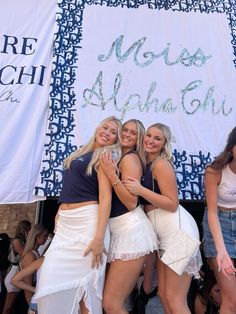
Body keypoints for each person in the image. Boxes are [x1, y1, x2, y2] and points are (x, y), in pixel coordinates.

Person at [34, 116, 122, 314]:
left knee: (86, 290)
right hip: (66, 225)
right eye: (105, 127)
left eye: (113, 132)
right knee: (47, 278)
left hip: (88, 224)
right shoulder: (83, 151)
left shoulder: (105, 155)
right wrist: (60, 209)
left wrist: (99, 237)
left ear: (116, 139)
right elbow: (70, 185)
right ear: (98, 126)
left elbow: (105, 198)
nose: (107, 133)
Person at [124, 123, 202, 314]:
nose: (150, 140)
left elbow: (172, 203)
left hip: (180, 235)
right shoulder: (146, 163)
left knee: (175, 300)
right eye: (148, 135)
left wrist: (140, 190)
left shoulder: (161, 164)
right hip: (167, 236)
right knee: (165, 294)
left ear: (164, 143)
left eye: (157, 138)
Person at [100, 119, 158, 314]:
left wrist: (112, 176)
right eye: (125, 130)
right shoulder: (121, 157)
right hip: (121, 233)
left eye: (133, 133)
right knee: (110, 302)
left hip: (131, 233)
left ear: (139, 139)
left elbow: (131, 202)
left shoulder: (130, 159)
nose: (126, 134)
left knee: (111, 304)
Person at [202, 126, 236, 313]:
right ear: (231, 147)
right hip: (219, 226)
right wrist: (221, 251)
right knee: (231, 300)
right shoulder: (215, 171)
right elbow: (212, 213)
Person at [3, 220, 31, 314]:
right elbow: (25, 256)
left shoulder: (23, 241)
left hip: (19, 272)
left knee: (14, 306)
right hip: (14, 272)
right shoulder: (17, 241)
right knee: (8, 307)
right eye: (29, 229)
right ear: (24, 229)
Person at [20, 224, 48, 307]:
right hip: (31, 297)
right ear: (37, 236)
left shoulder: (35, 253)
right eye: (45, 236)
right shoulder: (30, 256)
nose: (47, 239)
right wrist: (31, 305)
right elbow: (27, 283)